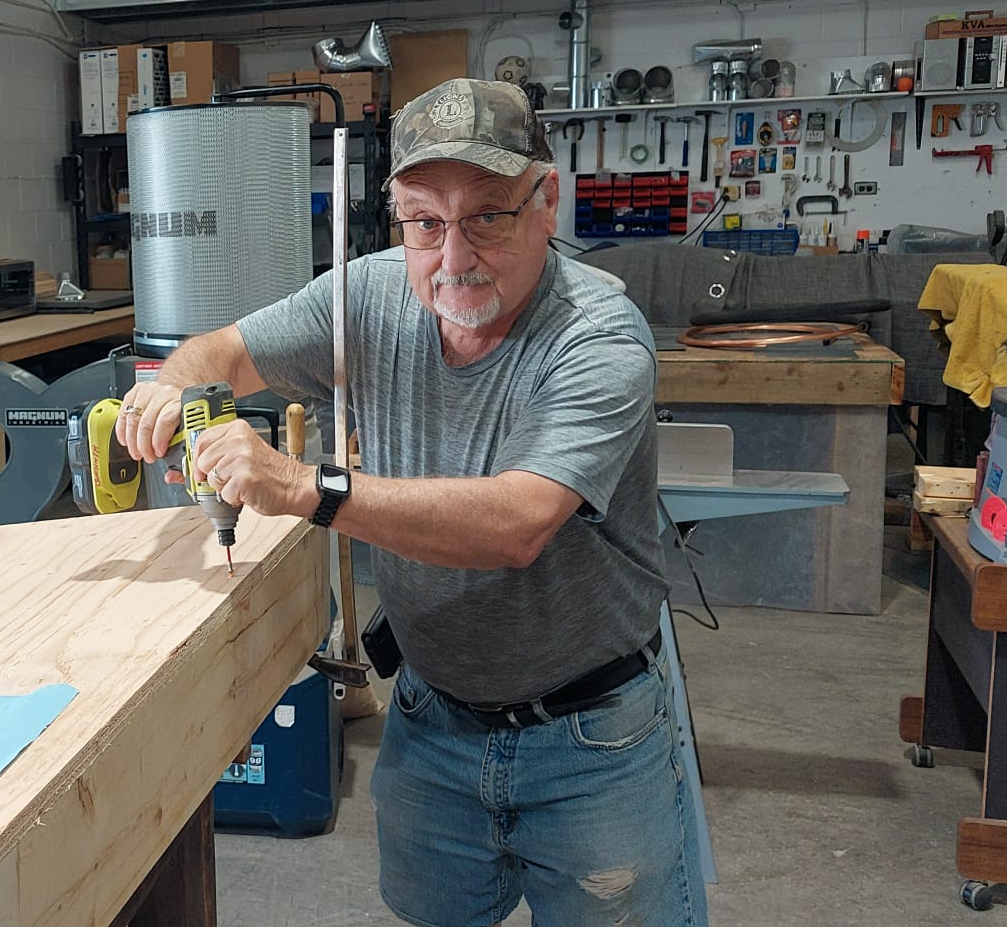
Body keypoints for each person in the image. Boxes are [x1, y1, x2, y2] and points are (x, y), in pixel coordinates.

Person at [116, 79, 706, 926]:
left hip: (589, 740)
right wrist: (172, 389)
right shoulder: (368, 296)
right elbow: (222, 350)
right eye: (426, 223)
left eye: (488, 217)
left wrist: (300, 486)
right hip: (431, 724)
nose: (453, 257)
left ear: (547, 202)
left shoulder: (598, 338)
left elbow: (517, 523)